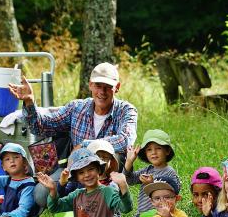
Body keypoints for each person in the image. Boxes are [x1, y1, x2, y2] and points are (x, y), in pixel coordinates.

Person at [9, 62, 137, 208]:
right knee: (41, 194)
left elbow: (126, 139)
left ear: (117, 87)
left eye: (108, 87)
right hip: (77, 171)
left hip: (106, 175)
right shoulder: (76, 107)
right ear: (90, 85)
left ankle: (108, 204)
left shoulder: (126, 110)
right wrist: (29, 101)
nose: (102, 91)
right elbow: (41, 127)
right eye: (98, 85)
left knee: (112, 158)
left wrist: (85, 145)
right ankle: (73, 205)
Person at [37, 148, 132, 217]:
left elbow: (126, 208)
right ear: (76, 177)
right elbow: (55, 207)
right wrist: (53, 190)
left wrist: (123, 186)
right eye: (81, 172)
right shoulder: (77, 195)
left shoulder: (107, 192)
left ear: (99, 170)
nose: (86, 175)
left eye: (90, 169)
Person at [112, 129, 180, 217]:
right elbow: (129, 179)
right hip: (141, 216)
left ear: (167, 150)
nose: (153, 152)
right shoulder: (147, 170)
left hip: (156, 216)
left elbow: (173, 190)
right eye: (149, 149)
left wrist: (152, 184)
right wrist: (129, 161)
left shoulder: (170, 172)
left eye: (158, 148)